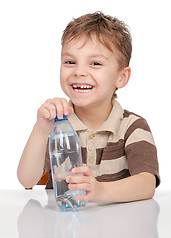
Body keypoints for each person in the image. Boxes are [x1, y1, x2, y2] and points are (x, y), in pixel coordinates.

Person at [17, 12, 160, 203]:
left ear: (122, 77)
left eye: (95, 63)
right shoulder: (56, 125)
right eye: (70, 62)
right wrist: (41, 129)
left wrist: (101, 191)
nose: (79, 72)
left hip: (118, 229)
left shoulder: (133, 127)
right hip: (63, 228)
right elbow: (27, 180)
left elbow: (146, 184)